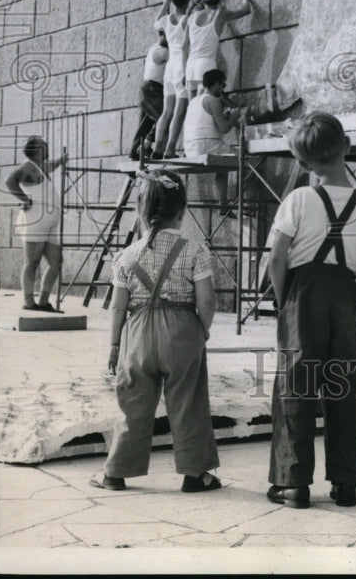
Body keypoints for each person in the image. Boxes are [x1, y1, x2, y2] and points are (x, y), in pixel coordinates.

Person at [265, 112, 356, 510]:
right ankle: (345, 483)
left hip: (302, 296)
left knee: (295, 388)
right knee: (343, 390)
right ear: (347, 147)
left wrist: (285, 301)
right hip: (344, 296)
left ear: (302, 163)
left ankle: (293, 483)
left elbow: (277, 259)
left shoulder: (297, 200)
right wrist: (355, 298)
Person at [90, 169, 221, 493]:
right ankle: (195, 474)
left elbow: (118, 306)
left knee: (132, 403)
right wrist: (201, 331)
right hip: (182, 330)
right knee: (189, 403)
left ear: (141, 211)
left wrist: (114, 346)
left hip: (137, 334)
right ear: (181, 210)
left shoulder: (126, 256)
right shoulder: (194, 250)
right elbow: (207, 300)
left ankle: (115, 472)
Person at [5, 136, 66, 312]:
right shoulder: (27, 167)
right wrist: (24, 199)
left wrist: (62, 161)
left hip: (50, 220)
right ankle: (29, 302)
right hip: (35, 219)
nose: (47, 147)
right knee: (32, 261)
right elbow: (9, 181)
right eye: (44, 145)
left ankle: (43, 302)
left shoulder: (42, 166)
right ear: (36, 150)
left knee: (56, 262)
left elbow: (52, 165)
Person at [182, 68, 243, 211]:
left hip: (190, 148)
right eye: (222, 85)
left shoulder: (194, 101)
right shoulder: (212, 100)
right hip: (205, 145)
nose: (222, 89)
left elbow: (209, 123)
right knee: (244, 158)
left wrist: (226, 115)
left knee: (223, 164)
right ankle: (240, 201)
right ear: (216, 84)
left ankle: (223, 203)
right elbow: (224, 128)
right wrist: (234, 115)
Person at [185, 0, 251, 99]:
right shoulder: (221, 15)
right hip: (205, 65)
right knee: (202, 105)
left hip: (190, 66)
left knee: (192, 109)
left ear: (204, 1)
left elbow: (184, 46)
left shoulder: (192, 17)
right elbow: (246, 10)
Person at [152, 0, 194, 159]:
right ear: (187, 0)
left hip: (169, 68)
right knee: (180, 110)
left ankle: (157, 149)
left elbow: (156, 22)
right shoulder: (187, 19)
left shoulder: (167, 19)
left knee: (166, 111)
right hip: (181, 64)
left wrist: (165, 2)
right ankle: (170, 149)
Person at [129, 29, 169, 161]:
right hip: (154, 89)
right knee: (165, 118)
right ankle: (146, 145)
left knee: (145, 124)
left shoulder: (153, 48)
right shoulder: (163, 51)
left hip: (144, 89)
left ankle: (134, 152)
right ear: (162, 35)